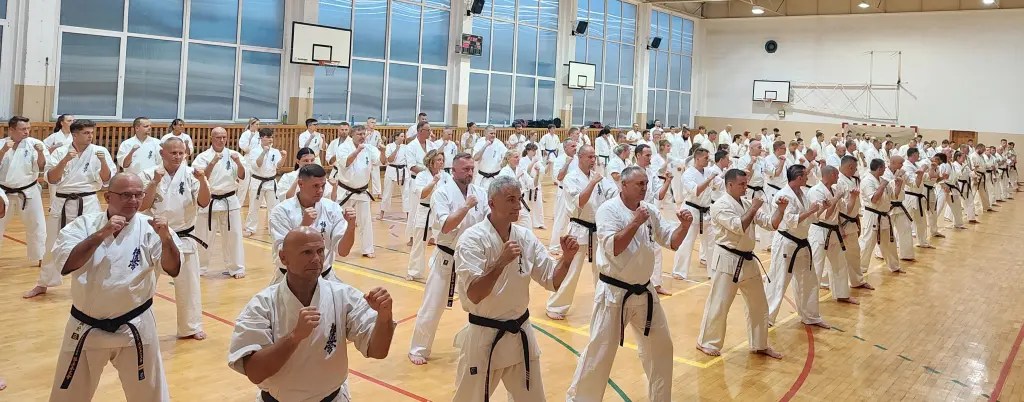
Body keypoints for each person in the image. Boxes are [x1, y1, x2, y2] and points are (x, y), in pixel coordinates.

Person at [48, 173, 182, 402]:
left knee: (150, 395)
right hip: (85, 326)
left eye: (138, 195)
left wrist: (167, 240)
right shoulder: (83, 225)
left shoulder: (151, 228)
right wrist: (102, 234)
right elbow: (67, 264)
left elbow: (173, 269)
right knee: (67, 396)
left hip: (136, 324)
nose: (133, 200)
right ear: (108, 196)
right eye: (126, 195)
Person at [228, 227, 396, 402]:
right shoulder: (262, 304)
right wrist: (294, 337)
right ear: (284, 258)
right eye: (306, 252)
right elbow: (255, 373)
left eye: (320, 251)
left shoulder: (343, 296)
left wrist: (384, 317)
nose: (316, 259)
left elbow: (378, 351)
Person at [566, 167, 691, 401]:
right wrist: (635, 222)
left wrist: (684, 227)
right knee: (599, 353)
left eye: (646, 183)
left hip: (645, 292)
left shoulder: (649, 210)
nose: (644, 188)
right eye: (639, 184)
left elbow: (672, 242)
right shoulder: (608, 210)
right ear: (623, 185)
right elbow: (614, 247)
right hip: (614, 293)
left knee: (662, 348)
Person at [452, 175, 579, 402]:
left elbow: (552, 280)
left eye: (519, 199)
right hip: (484, 338)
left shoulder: (525, 237)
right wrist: (500, 263)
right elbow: (475, 294)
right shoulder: (472, 239)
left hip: (521, 333)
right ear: (492, 203)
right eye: (510, 199)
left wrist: (566, 260)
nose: (518, 206)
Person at [408, 153, 490, 365]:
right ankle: (418, 348)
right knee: (432, 305)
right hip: (446, 257)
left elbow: (488, 222)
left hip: (472, 258)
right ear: (453, 171)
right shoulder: (442, 194)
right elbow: (446, 226)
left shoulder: (480, 192)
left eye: (472, 169)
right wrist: (466, 206)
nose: (470, 173)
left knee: (481, 305)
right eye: (465, 169)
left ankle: (479, 345)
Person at [695, 169, 786, 359]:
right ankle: (707, 342)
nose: (746, 187)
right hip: (727, 259)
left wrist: (781, 209)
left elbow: (771, 224)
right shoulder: (720, 206)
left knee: (759, 304)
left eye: (746, 183)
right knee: (719, 304)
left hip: (748, 260)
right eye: (742, 184)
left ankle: (759, 344)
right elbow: (738, 226)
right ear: (730, 185)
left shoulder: (745, 203)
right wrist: (753, 208)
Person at [27, 119, 116, 299]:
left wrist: (103, 162)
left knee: (94, 242)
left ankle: (96, 282)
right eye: (86, 133)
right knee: (52, 243)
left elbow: (107, 180)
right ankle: (44, 283)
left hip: (88, 201)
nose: (90, 136)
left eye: (91, 133)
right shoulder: (61, 152)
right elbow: (52, 179)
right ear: (74, 135)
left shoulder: (99, 151)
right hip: (63, 202)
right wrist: (65, 160)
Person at [140, 137, 211, 340]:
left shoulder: (191, 174)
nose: (177, 157)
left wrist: (203, 181)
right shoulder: (148, 174)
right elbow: (143, 206)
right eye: (173, 153)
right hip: (154, 235)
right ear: (162, 153)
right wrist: (154, 182)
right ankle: (136, 323)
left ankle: (190, 327)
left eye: (181, 153)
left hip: (183, 234)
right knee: (145, 282)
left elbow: (204, 202)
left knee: (188, 285)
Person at [547, 145, 617, 320]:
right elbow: (579, 202)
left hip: (597, 231)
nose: (593, 160)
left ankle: (603, 303)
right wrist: (592, 183)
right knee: (571, 271)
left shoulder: (598, 177)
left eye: (594, 157)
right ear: (580, 157)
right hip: (578, 229)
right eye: (589, 157)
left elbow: (613, 195)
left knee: (602, 269)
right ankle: (555, 306)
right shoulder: (571, 178)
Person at [764, 164, 830, 328]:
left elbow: (810, 218)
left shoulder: (802, 193)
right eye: (805, 175)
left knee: (808, 280)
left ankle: (810, 316)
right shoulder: (783, 195)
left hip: (802, 242)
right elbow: (791, 221)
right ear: (799, 177)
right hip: (786, 243)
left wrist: (821, 208)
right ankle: (766, 318)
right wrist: (811, 211)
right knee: (779, 281)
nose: (808, 177)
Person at [269, 164, 357, 285]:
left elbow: (343, 251)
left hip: (324, 277)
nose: (320, 190)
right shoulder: (281, 211)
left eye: (323, 185)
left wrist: (351, 227)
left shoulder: (333, 209)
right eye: (315, 186)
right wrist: (304, 225)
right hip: (290, 279)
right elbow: (284, 254)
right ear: (301, 184)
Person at [192, 127, 247, 279]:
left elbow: (242, 176)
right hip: (209, 200)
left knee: (234, 236)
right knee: (203, 236)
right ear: (212, 138)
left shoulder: (234, 155)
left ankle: (236, 268)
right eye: (218, 137)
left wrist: (238, 163)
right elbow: (201, 178)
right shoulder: (203, 157)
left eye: (224, 137)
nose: (221, 140)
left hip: (230, 200)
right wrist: (213, 162)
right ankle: (200, 268)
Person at [807, 165, 859, 303]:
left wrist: (853, 197)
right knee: (817, 266)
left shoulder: (835, 190)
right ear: (831, 175)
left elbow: (846, 210)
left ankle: (842, 294)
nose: (838, 177)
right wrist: (836, 198)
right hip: (819, 231)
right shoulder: (815, 191)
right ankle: (810, 301)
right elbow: (824, 215)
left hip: (834, 231)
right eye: (836, 175)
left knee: (840, 264)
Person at [0, 116, 48, 266]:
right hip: (3, 191)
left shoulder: (35, 144)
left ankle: (40, 257)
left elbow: (42, 166)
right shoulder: (1, 144)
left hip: (28, 190)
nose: (27, 132)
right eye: (23, 129)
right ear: (11, 130)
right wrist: (4, 150)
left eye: (28, 128)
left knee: (37, 224)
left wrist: (40, 153)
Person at [336, 125, 381, 258]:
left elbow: (381, 161)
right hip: (346, 191)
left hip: (362, 191)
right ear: (352, 135)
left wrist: (383, 151)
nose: (362, 136)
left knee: (365, 221)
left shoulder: (369, 148)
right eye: (359, 134)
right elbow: (346, 163)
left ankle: (367, 249)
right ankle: (337, 247)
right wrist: (357, 151)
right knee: (340, 221)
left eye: (363, 134)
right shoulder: (343, 147)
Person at [673, 148, 717, 281]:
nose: (708, 160)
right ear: (697, 158)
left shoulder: (708, 171)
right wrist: (709, 179)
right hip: (690, 211)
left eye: (708, 157)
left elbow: (720, 185)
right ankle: (679, 271)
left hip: (706, 212)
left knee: (711, 243)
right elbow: (696, 191)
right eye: (705, 158)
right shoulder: (688, 174)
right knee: (686, 242)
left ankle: (713, 272)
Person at [859, 159, 903, 274]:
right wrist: (882, 186)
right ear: (879, 168)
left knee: (889, 242)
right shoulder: (867, 181)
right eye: (884, 167)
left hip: (884, 216)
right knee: (868, 243)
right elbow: (874, 199)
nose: (885, 169)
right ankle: (861, 270)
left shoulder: (882, 180)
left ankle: (894, 266)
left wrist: (898, 185)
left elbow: (893, 196)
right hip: (872, 215)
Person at [407, 150, 444, 281]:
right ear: (430, 162)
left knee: (443, 243)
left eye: (442, 160)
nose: (441, 162)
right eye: (438, 160)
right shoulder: (422, 176)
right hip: (425, 211)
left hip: (440, 212)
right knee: (419, 243)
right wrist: (433, 182)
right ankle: (414, 272)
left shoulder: (446, 176)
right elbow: (422, 194)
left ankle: (440, 272)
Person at [243, 128, 286, 237]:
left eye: (271, 137)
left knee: (274, 207)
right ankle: (250, 228)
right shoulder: (254, 151)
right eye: (268, 137)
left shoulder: (275, 151)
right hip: (257, 181)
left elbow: (278, 166)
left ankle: (274, 229)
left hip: (271, 181)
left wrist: (284, 157)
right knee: (254, 207)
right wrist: (264, 152)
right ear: (261, 138)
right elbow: (257, 165)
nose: (270, 139)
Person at [402, 122, 437, 246]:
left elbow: (436, 162)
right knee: (415, 210)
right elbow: (412, 166)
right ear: (420, 131)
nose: (430, 132)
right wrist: (427, 172)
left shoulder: (432, 145)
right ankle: (412, 236)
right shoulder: (411, 146)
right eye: (428, 130)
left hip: (431, 182)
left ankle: (431, 235)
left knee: (432, 208)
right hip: (417, 181)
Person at [882, 155, 916, 261]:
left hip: (900, 205)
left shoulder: (902, 172)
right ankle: (881, 253)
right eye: (900, 163)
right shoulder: (884, 173)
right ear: (892, 162)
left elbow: (912, 183)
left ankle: (906, 254)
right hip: (888, 206)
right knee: (886, 231)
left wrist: (919, 175)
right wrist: (898, 176)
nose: (902, 165)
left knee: (906, 228)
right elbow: (889, 186)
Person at [548, 139, 578, 253]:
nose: (575, 148)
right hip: (563, 193)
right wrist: (567, 163)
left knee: (576, 220)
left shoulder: (578, 159)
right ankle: (554, 246)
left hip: (576, 193)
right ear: (565, 148)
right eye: (572, 146)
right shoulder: (560, 160)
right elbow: (559, 177)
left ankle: (574, 244)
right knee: (561, 220)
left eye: (575, 146)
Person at [379, 131, 406, 219]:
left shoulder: (405, 147)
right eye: (401, 136)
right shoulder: (389, 146)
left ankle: (408, 214)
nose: (403, 138)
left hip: (403, 170)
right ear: (396, 137)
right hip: (391, 169)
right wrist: (396, 149)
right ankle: (382, 213)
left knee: (406, 193)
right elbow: (390, 160)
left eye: (403, 136)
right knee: (387, 193)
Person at [518, 143, 545, 229]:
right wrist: (533, 162)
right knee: (525, 206)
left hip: (536, 184)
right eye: (533, 150)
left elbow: (542, 170)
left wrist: (541, 167)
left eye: (535, 150)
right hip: (526, 186)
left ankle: (539, 223)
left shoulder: (537, 160)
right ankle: (524, 223)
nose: (534, 152)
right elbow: (526, 172)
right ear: (528, 151)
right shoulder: (522, 160)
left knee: (538, 205)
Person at [472, 126, 507, 190]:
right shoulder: (480, 143)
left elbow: (506, 156)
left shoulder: (499, 143)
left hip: (495, 177)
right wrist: (485, 146)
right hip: (482, 177)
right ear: (485, 133)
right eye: (491, 133)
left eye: (494, 133)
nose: (493, 135)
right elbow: (475, 158)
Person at [366, 118, 385, 197]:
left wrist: (381, 142)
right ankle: (364, 191)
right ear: (367, 123)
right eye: (372, 122)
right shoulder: (364, 132)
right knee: (365, 174)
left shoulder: (377, 133)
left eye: (375, 122)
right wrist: (366, 135)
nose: (374, 124)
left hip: (374, 155)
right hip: (365, 155)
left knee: (376, 174)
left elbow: (379, 143)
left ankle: (378, 193)